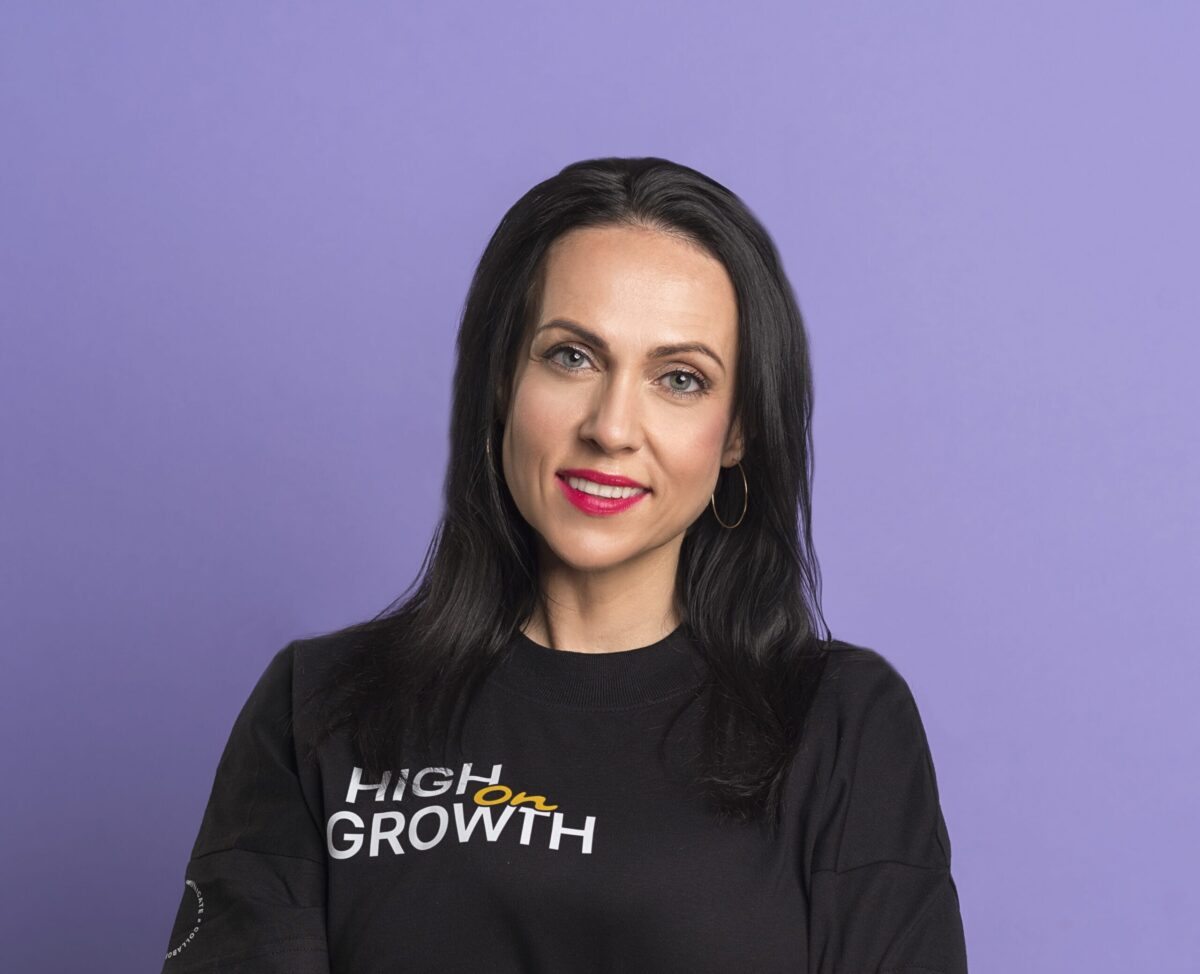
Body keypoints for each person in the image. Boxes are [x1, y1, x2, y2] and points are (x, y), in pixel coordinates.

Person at [159, 156, 968, 973]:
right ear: (501, 383)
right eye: (572, 357)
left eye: (679, 378)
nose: (611, 428)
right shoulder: (319, 709)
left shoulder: (838, 726)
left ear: (736, 433)